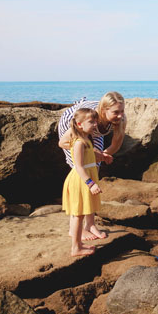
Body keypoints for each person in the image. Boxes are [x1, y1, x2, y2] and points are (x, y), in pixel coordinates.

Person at [58, 91, 126, 240]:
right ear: (103, 110)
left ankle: (90, 224)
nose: (120, 115)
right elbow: (63, 143)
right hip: (75, 126)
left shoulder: (120, 118)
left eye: (122, 110)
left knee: (93, 170)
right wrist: (82, 148)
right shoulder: (88, 117)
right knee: (81, 174)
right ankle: (74, 228)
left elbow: (115, 145)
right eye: (116, 112)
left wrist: (101, 156)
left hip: (94, 131)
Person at [61, 107, 104, 257]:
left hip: (85, 178)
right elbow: (78, 166)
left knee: (80, 214)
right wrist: (91, 184)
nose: (95, 125)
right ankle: (75, 248)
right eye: (91, 122)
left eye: (95, 122)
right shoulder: (79, 142)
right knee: (78, 214)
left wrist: (102, 157)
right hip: (80, 180)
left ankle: (78, 243)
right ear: (79, 124)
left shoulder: (87, 139)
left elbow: (88, 160)